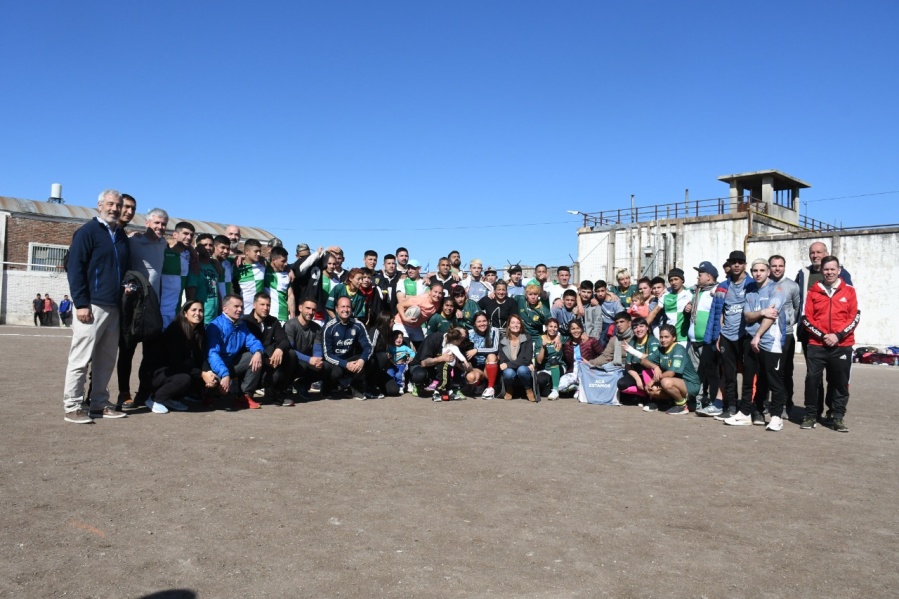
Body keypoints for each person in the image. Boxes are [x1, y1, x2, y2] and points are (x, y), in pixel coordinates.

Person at [62, 189, 131, 423]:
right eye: (110, 204)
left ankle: (98, 404)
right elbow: (75, 269)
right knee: (81, 358)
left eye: (118, 205)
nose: (114, 208)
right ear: (99, 205)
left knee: (106, 359)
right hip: (91, 306)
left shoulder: (121, 235)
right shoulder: (87, 232)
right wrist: (81, 303)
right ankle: (72, 406)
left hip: (114, 307)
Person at [722, 259, 788, 428]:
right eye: (755, 270)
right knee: (748, 379)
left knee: (773, 380)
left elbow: (771, 315)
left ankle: (776, 417)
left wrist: (758, 334)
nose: (758, 273)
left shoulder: (777, 289)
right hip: (751, 340)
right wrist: (761, 312)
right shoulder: (750, 291)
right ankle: (745, 412)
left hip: (769, 341)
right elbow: (747, 316)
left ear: (768, 272)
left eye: (762, 270)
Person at [117, 207, 169, 410]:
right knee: (127, 352)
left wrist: (190, 250)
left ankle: (143, 393)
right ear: (147, 223)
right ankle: (124, 393)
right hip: (132, 307)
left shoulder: (165, 244)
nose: (160, 227)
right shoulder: (133, 242)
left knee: (150, 355)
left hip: (153, 307)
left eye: (163, 224)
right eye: (156, 223)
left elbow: (183, 246)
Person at [795, 241, 853, 421]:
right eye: (812, 252)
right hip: (811, 334)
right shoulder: (803, 273)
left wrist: (838, 334)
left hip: (838, 338)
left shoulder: (842, 274)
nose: (815, 255)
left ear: (826, 253)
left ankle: (833, 412)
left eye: (819, 252)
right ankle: (814, 412)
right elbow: (800, 304)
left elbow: (848, 302)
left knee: (835, 377)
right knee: (814, 377)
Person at [146, 300, 219, 413]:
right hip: (158, 373)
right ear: (185, 313)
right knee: (185, 379)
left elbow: (201, 357)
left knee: (213, 379)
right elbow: (176, 363)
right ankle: (155, 398)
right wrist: (201, 374)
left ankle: (171, 398)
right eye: (193, 310)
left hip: (177, 369)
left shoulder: (199, 331)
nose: (198, 313)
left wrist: (208, 372)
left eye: (201, 310)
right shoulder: (175, 330)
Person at [206, 294, 266, 410]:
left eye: (241, 307)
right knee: (212, 382)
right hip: (214, 367)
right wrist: (224, 374)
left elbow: (253, 341)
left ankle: (244, 396)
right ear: (225, 309)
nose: (240, 310)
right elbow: (212, 354)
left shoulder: (241, 324)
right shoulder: (215, 326)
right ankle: (207, 395)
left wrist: (258, 352)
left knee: (254, 356)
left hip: (231, 364)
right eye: (236, 306)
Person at [714, 250, 752, 421]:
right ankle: (730, 406)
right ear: (729, 264)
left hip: (745, 335)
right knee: (729, 374)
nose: (736, 265)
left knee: (748, 374)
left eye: (740, 262)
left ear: (744, 264)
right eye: (733, 262)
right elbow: (719, 312)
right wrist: (718, 335)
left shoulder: (751, 284)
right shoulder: (723, 285)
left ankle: (746, 408)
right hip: (727, 335)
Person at [242, 292, 295, 406]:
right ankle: (244, 394)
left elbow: (285, 341)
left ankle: (278, 394)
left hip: (269, 362)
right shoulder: (245, 322)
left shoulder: (273, 321)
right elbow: (244, 347)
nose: (265, 308)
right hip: (252, 365)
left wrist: (279, 349)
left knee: (290, 354)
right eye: (262, 304)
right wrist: (265, 358)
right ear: (254, 305)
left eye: (268, 305)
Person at [635, 324, 701, 415]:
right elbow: (643, 361)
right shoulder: (660, 349)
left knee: (666, 382)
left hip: (690, 384)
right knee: (652, 390)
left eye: (666, 337)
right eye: (661, 337)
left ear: (674, 338)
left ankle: (682, 405)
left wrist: (652, 381)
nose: (663, 340)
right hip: (673, 382)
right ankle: (674, 402)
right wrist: (655, 367)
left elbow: (670, 373)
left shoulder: (679, 349)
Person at [283, 298, 341, 398]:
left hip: (307, 360)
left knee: (327, 368)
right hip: (292, 361)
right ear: (300, 308)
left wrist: (317, 360)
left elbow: (317, 348)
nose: (310, 312)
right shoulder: (290, 325)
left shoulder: (317, 328)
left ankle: (303, 384)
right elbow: (290, 350)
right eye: (308, 308)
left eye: (313, 309)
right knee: (297, 361)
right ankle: (285, 386)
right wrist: (309, 359)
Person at [688, 261, 723, 416]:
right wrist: (687, 308)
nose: (698, 277)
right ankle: (698, 399)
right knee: (696, 373)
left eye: (700, 274)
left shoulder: (717, 290)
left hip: (708, 341)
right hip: (693, 340)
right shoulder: (696, 291)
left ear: (709, 277)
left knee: (712, 373)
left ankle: (716, 401)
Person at [768, 254, 801, 417]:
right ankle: (770, 403)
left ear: (784, 267)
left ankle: (786, 404)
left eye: (780, 265)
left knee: (786, 371)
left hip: (785, 335)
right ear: (769, 267)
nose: (777, 268)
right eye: (774, 266)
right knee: (769, 371)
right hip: (767, 336)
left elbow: (797, 308)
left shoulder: (792, 286)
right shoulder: (764, 285)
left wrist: (788, 322)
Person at [322, 296, 373, 398]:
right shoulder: (329, 327)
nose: (345, 310)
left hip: (350, 359)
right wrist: (345, 364)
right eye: (343, 307)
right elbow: (327, 354)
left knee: (369, 360)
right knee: (336, 372)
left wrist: (361, 360)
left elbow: (368, 347)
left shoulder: (358, 325)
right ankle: (328, 388)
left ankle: (354, 388)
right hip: (335, 361)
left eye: (348, 307)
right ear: (336, 309)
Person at [620, 317, 660, 405]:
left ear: (647, 328)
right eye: (635, 327)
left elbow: (652, 360)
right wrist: (638, 379)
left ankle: (653, 399)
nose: (638, 330)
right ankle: (643, 395)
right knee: (621, 384)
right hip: (638, 373)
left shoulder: (653, 341)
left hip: (652, 373)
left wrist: (633, 351)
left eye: (641, 326)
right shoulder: (632, 342)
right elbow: (628, 366)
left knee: (646, 370)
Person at [424, 327, 470, 401]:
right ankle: (436, 393)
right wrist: (465, 361)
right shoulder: (453, 347)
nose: (461, 341)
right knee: (443, 380)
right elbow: (459, 355)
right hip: (445, 365)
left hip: (448, 366)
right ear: (456, 340)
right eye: (460, 339)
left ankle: (450, 392)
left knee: (449, 380)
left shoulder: (447, 345)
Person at [497, 314, 536, 401]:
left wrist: (508, 364)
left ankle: (528, 389)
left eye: (518, 323)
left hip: (523, 368)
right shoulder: (502, 341)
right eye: (513, 323)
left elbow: (526, 359)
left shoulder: (527, 338)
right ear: (509, 326)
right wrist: (507, 365)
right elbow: (503, 361)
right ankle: (509, 389)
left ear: (521, 326)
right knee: (508, 373)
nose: (515, 325)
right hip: (511, 370)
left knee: (522, 369)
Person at [394, 283, 443, 347]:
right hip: (402, 324)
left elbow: (450, 302)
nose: (437, 295)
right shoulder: (420, 300)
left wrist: (457, 310)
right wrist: (405, 318)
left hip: (416, 327)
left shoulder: (439, 301)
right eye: (435, 292)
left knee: (422, 349)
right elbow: (399, 305)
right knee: (404, 347)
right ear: (430, 292)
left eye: (440, 293)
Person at [465, 312, 500, 398]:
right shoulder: (469, 333)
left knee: (491, 355)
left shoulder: (494, 331)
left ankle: (490, 388)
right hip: (476, 366)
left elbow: (495, 349)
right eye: (479, 321)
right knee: (470, 377)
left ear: (488, 322)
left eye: (484, 321)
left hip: (490, 365)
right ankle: (481, 386)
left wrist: (477, 350)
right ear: (474, 324)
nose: (482, 324)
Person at [192, 233, 224, 324]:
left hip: (214, 318)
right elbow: (191, 295)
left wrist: (220, 311)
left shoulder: (214, 266)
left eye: (210, 245)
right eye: (204, 245)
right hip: (200, 318)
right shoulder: (194, 266)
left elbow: (216, 290)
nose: (208, 247)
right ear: (197, 248)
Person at [235, 239, 268, 316]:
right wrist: (238, 256)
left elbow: (276, 262)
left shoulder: (263, 265)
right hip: (242, 311)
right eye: (256, 251)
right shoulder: (237, 266)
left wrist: (289, 270)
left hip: (258, 312)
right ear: (246, 251)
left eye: (260, 251)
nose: (259, 254)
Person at [513, 283, 551, 350]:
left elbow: (551, 325)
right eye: (530, 294)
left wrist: (546, 337)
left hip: (536, 339)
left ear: (538, 295)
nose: (533, 297)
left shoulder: (543, 310)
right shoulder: (520, 299)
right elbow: (506, 298)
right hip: (521, 337)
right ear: (526, 295)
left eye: (535, 294)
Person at [585, 280, 623, 345]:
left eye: (602, 291)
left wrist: (611, 294)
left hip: (612, 324)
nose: (600, 294)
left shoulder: (614, 301)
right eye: (598, 291)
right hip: (601, 324)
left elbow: (621, 315)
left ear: (606, 290)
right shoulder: (595, 298)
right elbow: (580, 294)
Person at [536, 318, 565, 400]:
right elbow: (539, 360)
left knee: (553, 360)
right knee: (540, 379)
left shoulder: (561, 338)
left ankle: (555, 390)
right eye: (550, 326)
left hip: (559, 367)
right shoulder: (540, 339)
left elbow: (571, 336)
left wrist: (558, 336)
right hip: (547, 368)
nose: (553, 329)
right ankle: (551, 385)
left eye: (555, 327)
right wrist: (543, 347)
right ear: (546, 327)